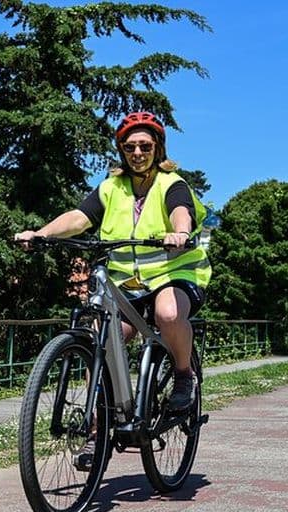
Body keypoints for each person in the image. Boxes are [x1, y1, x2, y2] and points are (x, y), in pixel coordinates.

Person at [15, 111, 210, 415]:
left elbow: (180, 211)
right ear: (121, 150)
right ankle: (98, 425)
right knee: (100, 340)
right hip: (127, 283)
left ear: (158, 148)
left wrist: (180, 233)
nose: (138, 153)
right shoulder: (111, 187)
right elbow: (79, 218)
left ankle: (185, 375)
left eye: (145, 146)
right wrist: (41, 234)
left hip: (174, 274)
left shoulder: (171, 183)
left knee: (168, 315)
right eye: (130, 146)